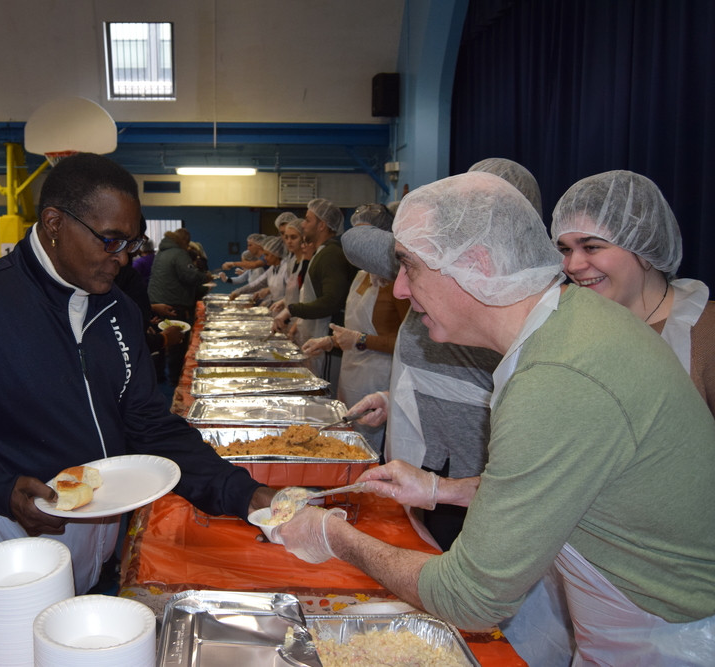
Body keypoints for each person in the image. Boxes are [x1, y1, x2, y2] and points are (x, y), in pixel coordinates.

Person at [276, 172, 715, 663]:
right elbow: (570, 480)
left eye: (410, 267)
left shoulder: (558, 373)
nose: (399, 289)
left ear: (476, 264)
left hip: (667, 640)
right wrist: (442, 489)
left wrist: (332, 535)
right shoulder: (564, 327)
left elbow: (470, 599)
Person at [0, 153, 271, 625]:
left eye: (132, 242)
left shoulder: (115, 311)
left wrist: (243, 494)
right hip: (4, 558)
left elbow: (146, 423)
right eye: (109, 240)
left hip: (95, 552)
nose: (122, 258)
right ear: (54, 223)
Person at [343, 158, 541, 550]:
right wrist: (393, 398)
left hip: (463, 471)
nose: (402, 288)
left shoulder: (500, 297)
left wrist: (421, 251)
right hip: (427, 459)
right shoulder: (445, 283)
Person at [552, 170, 715, 415]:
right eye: (565, 249)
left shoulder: (707, 334)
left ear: (643, 245)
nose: (573, 266)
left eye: (592, 247)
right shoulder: (567, 329)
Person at [301, 204, 409, 453]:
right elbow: (354, 329)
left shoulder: (397, 286)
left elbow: (405, 344)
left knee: (367, 449)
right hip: (350, 377)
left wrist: (361, 339)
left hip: (377, 380)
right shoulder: (361, 276)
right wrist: (330, 341)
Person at [272, 198, 358, 378]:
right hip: (314, 335)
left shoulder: (330, 254)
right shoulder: (321, 252)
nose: (302, 225)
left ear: (322, 225)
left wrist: (291, 310)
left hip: (325, 339)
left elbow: (331, 301)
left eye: (307, 220)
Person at [147, 228, 213, 383]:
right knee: (177, 342)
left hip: (157, 303)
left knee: (159, 343)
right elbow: (190, 276)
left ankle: (159, 376)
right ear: (184, 241)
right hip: (173, 306)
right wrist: (205, 277)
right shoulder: (179, 253)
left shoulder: (162, 252)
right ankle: (176, 379)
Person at [228, 235, 287, 305]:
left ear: (276, 254)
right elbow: (257, 283)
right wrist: (238, 292)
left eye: (267, 255)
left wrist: (269, 296)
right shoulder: (272, 269)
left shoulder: (286, 269)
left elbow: (290, 294)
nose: (264, 258)